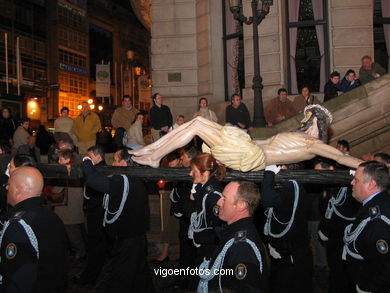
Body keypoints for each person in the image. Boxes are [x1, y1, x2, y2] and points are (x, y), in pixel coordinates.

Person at [130, 104, 363, 171]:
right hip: (250, 148)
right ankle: (153, 152)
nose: (303, 118)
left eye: (308, 115)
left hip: (251, 157)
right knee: (196, 123)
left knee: (198, 124)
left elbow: (342, 159)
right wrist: (244, 137)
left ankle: (154, 154)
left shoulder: (315, 145)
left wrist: (373, 167)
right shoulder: (300, 138)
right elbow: (266, 142)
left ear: (316, 120)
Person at [81, 148, 155, 292]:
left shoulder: (123, 180)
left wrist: (87, 162)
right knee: (140, 276)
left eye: (115, 160)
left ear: (123, 163)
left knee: (121, 278)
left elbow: (93, 180)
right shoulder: (134, 179)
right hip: (136, 237)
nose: (113, 163)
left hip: (128, 240)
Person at [0, 166, 68, 292]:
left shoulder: (19, 224)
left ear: (18, 189)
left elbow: (18, 278)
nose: (6, 187)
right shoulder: (52, 216)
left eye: (9, 184)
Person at [198, 181, 268, 292]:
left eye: (224, 199)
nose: (219, 202)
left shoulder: (242, 246)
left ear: (241, 205)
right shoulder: (233, 233)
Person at [261, 163, 312, 293]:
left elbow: (267, 199)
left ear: (284, 168)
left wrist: (269, 174)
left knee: (287, 285)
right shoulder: (290, 187)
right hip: (286, 248)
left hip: (291, 252)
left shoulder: (291, 186)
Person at [343, 161, 390, 293]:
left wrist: (368, 287)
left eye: (356, 180)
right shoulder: (374, 204)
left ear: (371, 185)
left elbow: (385, 264)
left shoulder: (379, 218)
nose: (352, 183)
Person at [316, 161, 359, 293]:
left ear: (331, 169)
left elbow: (340, 213)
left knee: (343, 271)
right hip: (333, 236)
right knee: (335, 269)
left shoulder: (345, 189)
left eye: (318, 172)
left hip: (342, 236)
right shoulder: (330, 187)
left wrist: (326, 229)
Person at [184, 153, 225, 290]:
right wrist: (193, 194)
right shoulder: (202, 189)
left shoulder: (213, 194)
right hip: (203, 246)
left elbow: (219, 224)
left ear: (205, 172)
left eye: (194, 171)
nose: (190, 174)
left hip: (210, 249)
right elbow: (189, 214)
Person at [75, 145, 108, 285]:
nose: (86, 160)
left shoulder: (100, 170)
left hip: (97, 213)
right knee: (98, 246)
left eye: (90, 157)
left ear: (98, 156)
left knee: (95, 246)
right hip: (96, 212)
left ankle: (89, 278)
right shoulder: (96, 169)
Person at [53, 150, 86, 261]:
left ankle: (80, 252)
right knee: (74, 231)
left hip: (68, 208)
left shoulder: (66, 171)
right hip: (72, 206)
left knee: (72, 232)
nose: (58, 161)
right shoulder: (76, 169)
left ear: (67, 160)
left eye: (60, 159)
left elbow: (57, 188)